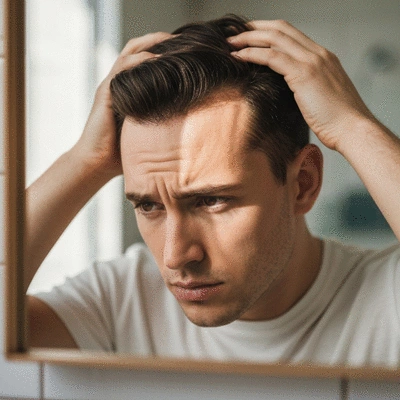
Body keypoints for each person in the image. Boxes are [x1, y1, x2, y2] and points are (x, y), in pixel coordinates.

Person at [26, 15, 400, 367]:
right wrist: (84, 160)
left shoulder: (386, 301)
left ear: (303, 183)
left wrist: (353, 126)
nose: (175, 257)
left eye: (211, 200)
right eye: (148, 205)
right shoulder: (120, 301)